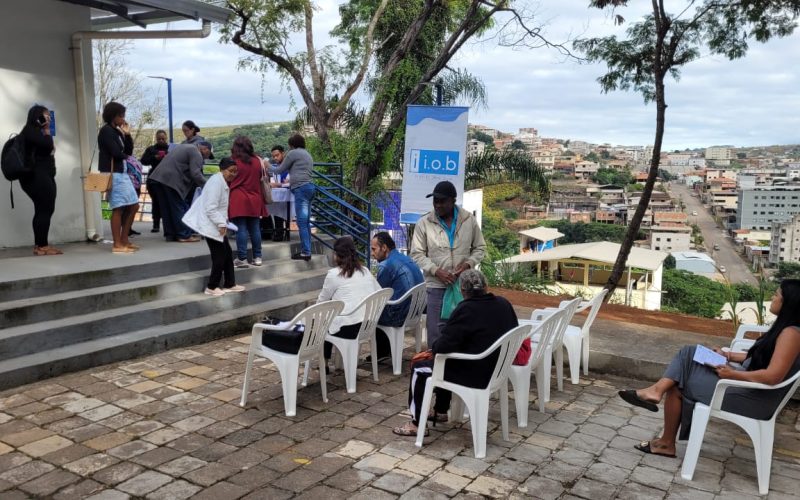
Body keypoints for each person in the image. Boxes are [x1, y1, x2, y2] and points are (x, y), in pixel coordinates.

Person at [617, 279, 800, 458]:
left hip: (751, 398)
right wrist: (728, 356)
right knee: (690, 354)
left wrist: (733, 374)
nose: (772, 297)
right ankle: (659, 409)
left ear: (788, 303)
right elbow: (764, 358)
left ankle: (663, 427)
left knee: (680, 377)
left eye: (776, 295)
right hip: (746, 387)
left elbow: (773, 376)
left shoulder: (791, 334)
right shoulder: (787, 330)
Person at [392, 269, 519, 437]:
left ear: (462, 290)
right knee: (445, 358)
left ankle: (416, 423)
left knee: (421, 366)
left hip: (475, 371)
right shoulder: (504, 304)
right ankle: (441, 410)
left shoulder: (466, 309)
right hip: (497, 368)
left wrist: (433, 349)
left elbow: (443, 345)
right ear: (486, 286)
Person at [259, 236, 380, 361]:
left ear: (337, 255)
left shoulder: (334, 274)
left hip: (349, 327)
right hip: (367, 324)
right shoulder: (365, 270)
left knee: (324, 319)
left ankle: (325, 363)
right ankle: (326, 361)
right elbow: (379, 291)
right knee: (329, 317)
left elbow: (321, 303)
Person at [410, 180, 486, 347]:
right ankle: (436, 369)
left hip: (463, 286)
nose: (438, 205)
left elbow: (480, 248)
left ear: (453, 200)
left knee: (463, 328)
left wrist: (468, 264)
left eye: (442, 201)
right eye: (435, 201)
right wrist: (436, 271)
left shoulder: (468, 220)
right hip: (436, 286)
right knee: (436, 332)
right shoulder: (424, 223)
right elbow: (417, 253)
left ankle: (458, 368)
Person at [182, 157, 245, 297]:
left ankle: (230, 283)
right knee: (219, 255)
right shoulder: (216, 182)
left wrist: (223, 222)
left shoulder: (221, 181)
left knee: (227, 253)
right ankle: (212, 286)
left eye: (235, 172)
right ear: (222, 169)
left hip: (217, 223)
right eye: (231, 171)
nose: (233, 174)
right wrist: (221, 223)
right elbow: (211, 208)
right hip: (212, 225)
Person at [370, 231, 424, 361]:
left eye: (374, 249)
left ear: (384, 248)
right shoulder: (407, 258)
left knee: (370, 313)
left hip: (399, 315)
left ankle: (380, 354)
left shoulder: (387, 265)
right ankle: (384, 351)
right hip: (415, 312)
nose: (372, 253)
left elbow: (379, 295)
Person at [97, 101, 139, 254]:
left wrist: (127, 135)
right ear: (113, 116)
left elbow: (128, 150)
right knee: (119, 207)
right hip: (114, 173)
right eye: (121, 116)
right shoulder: (106, 131)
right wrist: (126, 156)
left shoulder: (116, 131)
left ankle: (124, 239)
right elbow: (115, 152)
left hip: (122, 172)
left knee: (133, 205)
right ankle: (117, 243)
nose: (123, 119)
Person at [147, 141, 210, 242]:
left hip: (157, 178)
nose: (206, 158)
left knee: (166, 208)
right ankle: (183, 235)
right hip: (171, 180)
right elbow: (196, 174)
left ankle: (170, 234)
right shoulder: (196, 152)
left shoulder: (184, 146)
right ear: (205, 149)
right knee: (177, 206)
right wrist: (209, 185)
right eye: (208, 155)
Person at [19, 105, 61, 256]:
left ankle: (40, 245)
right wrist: (48, 131)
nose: (48, 118)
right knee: (45, 208)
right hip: (37, 176)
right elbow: (48, 145)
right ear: (37, 117)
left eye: (49, 116)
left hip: (44, 175)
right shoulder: (30, 131)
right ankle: (42, 246)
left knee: (44, 209)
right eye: (45, 116)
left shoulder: (36, 132)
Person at [269, 134, 315, 261]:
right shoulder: (307, 154)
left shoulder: (293, 153)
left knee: (302, 223)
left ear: (292, 144)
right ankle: (307, 250)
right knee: (305, 222)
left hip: (301, 188)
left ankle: (306, 252)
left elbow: (278, 170)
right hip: (310, 187)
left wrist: (266, 164)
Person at [228, 136, 267, 268]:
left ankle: (242, 258)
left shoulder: (233, 161)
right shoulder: (258, 160)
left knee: (241, 229)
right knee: (255, 228)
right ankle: (257, 257)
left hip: (238, 197)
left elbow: (227, 180)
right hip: (255, 197)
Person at [140, 129, 169, 233]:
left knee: (168, 203)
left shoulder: (171, 149)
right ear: (156, 139)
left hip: (167, 178)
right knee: (156, 202)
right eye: (159, 139)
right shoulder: (151, 149)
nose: (161, 140)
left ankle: (168, 226)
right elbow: (143, 161)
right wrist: (154, 157)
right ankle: (156, 224)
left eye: (163, 138)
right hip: (154, 179)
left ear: (166, 138)